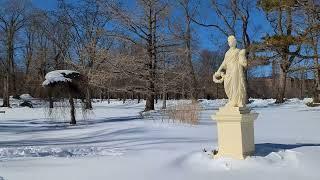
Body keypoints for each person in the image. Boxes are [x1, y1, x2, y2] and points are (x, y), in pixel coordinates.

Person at [213, 35, 247, 107]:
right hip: (229, 71)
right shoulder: (227, 53)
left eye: (232, 41)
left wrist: (243, 56)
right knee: (227, 85)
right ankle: (231, 100)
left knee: (236, 85)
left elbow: (243, 62)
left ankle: (237, 101)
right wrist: (218, 70)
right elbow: (224, 62)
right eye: (229, 42)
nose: (231, 43)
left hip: (236, 70)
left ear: (235, 42)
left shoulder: (238, 51)